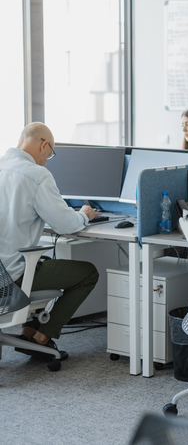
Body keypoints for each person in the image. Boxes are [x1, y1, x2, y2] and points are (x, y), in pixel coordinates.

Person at [0, 123, 100, 360]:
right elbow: (65, 225)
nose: (48, 158)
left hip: (1, 271)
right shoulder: (37, 174)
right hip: (13, 274)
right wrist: (84, 215)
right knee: (88, 274)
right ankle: (43, 337)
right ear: (44, 144)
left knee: (42, 261)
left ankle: (28, 333)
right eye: (50, 152)